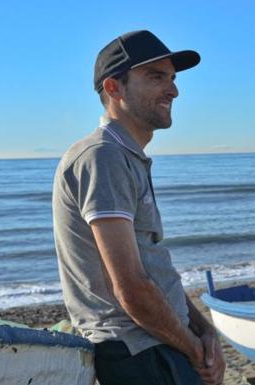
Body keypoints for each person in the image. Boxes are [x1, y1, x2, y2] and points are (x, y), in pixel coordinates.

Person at [52, 30, 225, 385]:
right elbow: (130, 287)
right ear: (114, 87)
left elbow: (150, 267)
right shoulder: (102, 157)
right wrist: (194, 352)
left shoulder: (126, 156)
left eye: (173, 78)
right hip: (137, 352)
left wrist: (204, 330)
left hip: (159, 343)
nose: (174, 90)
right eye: (156, 77)